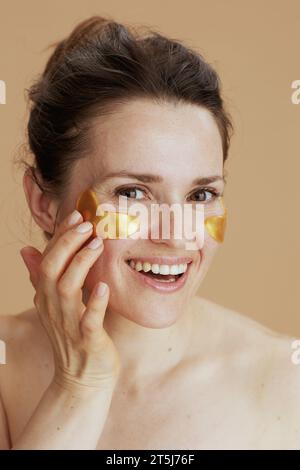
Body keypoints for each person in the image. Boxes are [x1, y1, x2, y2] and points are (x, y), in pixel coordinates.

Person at [0, 15, 299, 451]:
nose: (177, 237)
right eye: (134, 192)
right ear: (43, 202)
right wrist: (78, 387)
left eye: (200, 195)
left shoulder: (285, 381)